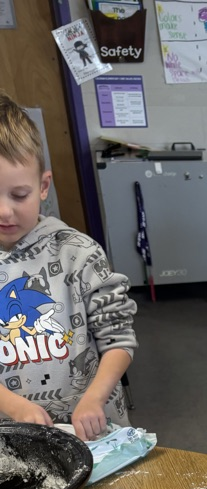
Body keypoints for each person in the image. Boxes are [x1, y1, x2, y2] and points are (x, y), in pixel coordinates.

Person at [0, 93, 137, 440]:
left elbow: (119, 339)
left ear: (43, 186)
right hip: (14, 435)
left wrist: (94, 398)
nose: (5, 212)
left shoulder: (78, 253)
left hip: (94, 429)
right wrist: (13, 406)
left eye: (19, 195)